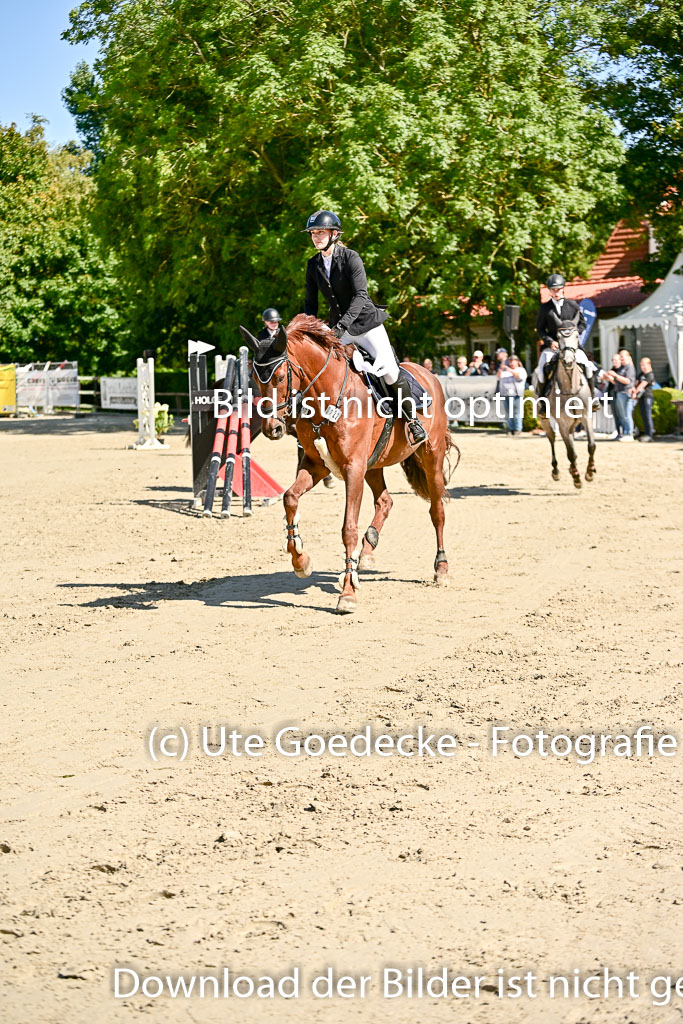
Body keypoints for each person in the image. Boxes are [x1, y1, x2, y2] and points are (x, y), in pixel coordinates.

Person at [303, 209, 426, 446]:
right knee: (325, 371)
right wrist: (309, 332)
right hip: (339, 328)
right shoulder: (313, 265)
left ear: (335, 233)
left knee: (389, 370)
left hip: (367, 324)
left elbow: (360, 296)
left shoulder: (351, 257)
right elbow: (311, 303)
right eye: (313, 233)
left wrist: (340, 328)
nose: (316, 236)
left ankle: (413, 421)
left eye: (321, 232)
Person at [603, 349, 636, 441]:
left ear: (627, 357)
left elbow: (627, 381)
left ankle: (629, 434)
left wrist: (615, 376)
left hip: (625, 392)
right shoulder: (623, 368)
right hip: (619, 392)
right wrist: (609, 378)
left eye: (622, 357)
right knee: (622, 415)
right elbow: (617, 382)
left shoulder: (629, 367)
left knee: (627, 414)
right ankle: (624, 433)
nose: (620, 359)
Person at [497, 354, 527, 434]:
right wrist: (500, 369)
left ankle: (518, 428)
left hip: (516, 394)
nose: (511, 364)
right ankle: (510, 428)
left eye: (512, 362)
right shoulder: (505, 371)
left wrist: (508, 369)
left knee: (517, 412)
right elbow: (498, 377)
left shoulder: (521, 370)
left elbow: (518, 377)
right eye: (509, 362)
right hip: (505, 394)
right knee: (508, 413)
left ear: (517, 361)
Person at [633, 356, 656, 442]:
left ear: (649, 364)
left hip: (647, 397)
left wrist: (635, 392)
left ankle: (649, 435)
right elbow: (636, 383)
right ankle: (645, 433)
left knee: (647, 416)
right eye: (641, 365)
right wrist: (634, 390)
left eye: (643, 365)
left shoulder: (650, 374)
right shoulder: (641, 374)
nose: (642, 367)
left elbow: (642, 384)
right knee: (643, 416)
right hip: (641, 397)